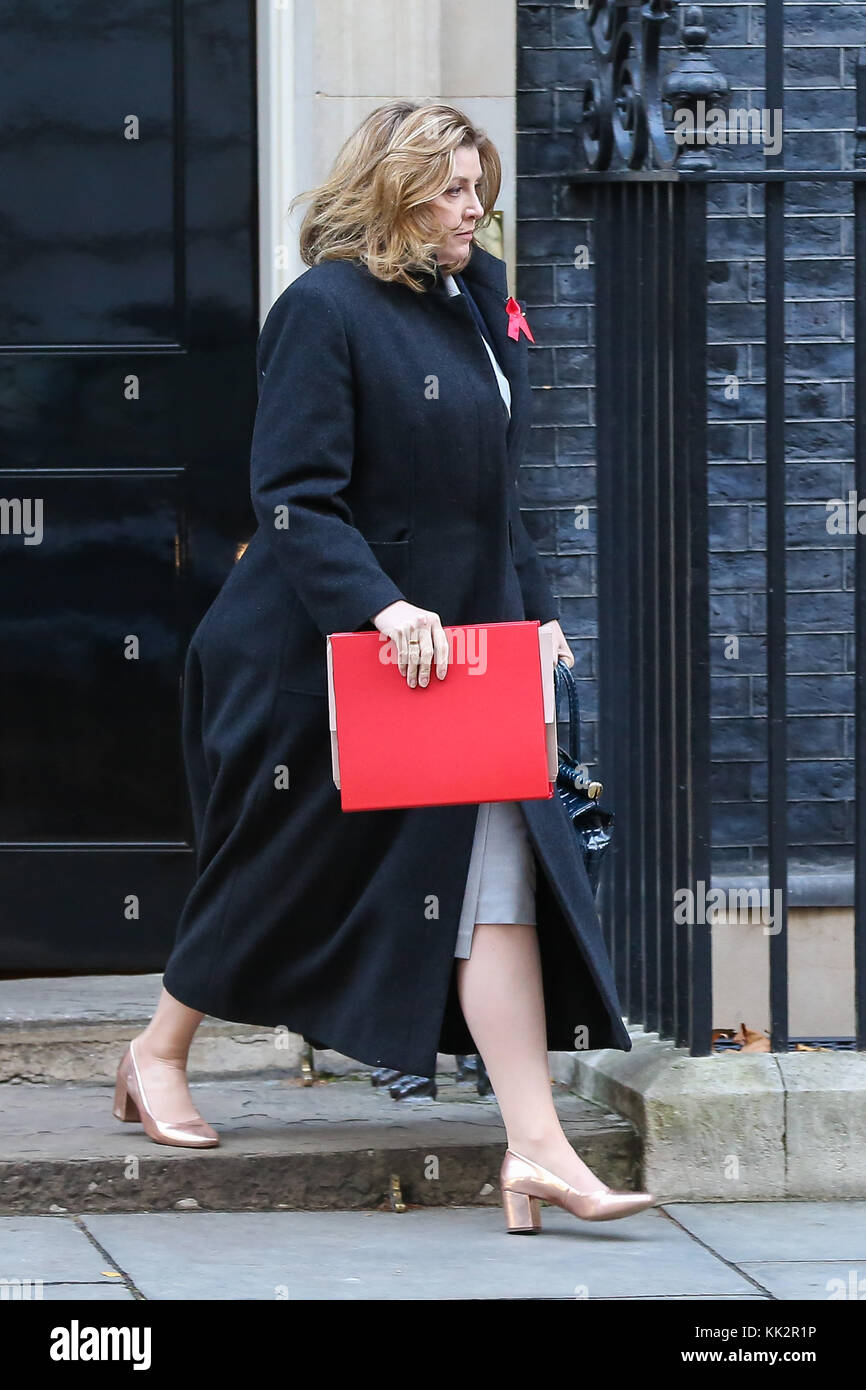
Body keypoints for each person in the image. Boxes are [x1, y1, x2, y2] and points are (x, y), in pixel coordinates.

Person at [112, 101, 654, 1231]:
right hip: (312, 649)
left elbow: (493, 497)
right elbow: (295, 500)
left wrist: (538, 616)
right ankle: (157, 1050)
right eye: (454, 189)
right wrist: (381, 605)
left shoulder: (473, 300)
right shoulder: (323, 309)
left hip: (455, 655)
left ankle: (534, 1146)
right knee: (281, 857)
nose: (475, 209)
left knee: (499, 870)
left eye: (478, 187)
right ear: (395, 191)